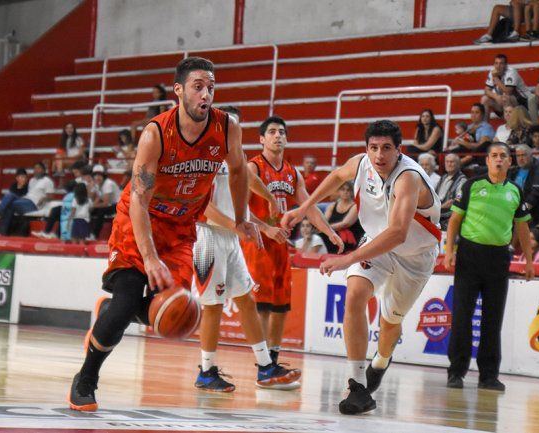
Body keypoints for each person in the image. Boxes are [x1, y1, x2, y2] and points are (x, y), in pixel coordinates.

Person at [67, 57, 261, 412]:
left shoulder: (227, 128)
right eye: (198, 87)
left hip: (180, 227)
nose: (206, 94)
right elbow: (139, 199)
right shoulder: (156, 133)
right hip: (138, 219)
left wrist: (242, 219)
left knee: (178, 316)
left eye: (211, 88)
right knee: (127, 302)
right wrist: (150, 257)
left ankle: (112, 311)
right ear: (178, 91)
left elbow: (238, 172)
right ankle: (86, 379)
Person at [283, 120, 443, 415]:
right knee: (355, 293)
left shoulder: (409, 178)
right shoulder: (360, 164)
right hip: (376, 244)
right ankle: (357, 386)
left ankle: (381, 361)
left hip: (414, 256)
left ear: (399, 150)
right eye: (373, 148)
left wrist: (347, 258)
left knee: (390, 323)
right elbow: (334, 177)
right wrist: (304, 208)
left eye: (386, 148)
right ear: (366, 148)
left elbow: (398, 233)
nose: (379, 155)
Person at [192, 105, 301, 393]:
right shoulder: (203, 155)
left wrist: (268, 198)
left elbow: (249, 181)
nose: (234, 129)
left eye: (237, 125)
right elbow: (202, 206)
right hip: (207, 236)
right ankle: (206, 371)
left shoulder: (234, 156)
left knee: (246, 300)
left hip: (229, 236)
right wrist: (236, 224)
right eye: (230, 124)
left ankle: (266, 367)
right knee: (213, 306)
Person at [241, 115, 342, 367]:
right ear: (262, 139)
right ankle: (262, 361)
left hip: (282, 244)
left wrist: (329, 232)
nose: (278, 136)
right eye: (273, 132)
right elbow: (238, 207)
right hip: (258, 243)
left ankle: (273, 356)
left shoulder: (291, 171)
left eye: (282, 132)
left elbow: (308, 206)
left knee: (281, 305)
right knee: (262, 305)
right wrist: (265, 229)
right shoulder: (253, 168)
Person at [444, 142, 534, 392]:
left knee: (493, 319)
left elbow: (523, 227)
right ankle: (456, 372)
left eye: (503, 156)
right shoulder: (472, 185)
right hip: (469, 256)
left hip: (498, 259)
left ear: (509, 162)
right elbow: (454, 220)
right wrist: (449, 251)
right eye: (493, 155)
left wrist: (528, 261)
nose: (498, 159)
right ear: (487, 161)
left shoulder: (515, 190)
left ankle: (488, 376)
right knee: (462, 316)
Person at [0, 162, 54, 236]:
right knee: (10, 195)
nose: (36, 170)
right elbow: (27, 192)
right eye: (35, 168)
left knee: (10, 205)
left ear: (44, 170)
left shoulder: (47, 181)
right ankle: (1, 228)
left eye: (38, 168)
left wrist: (44, 198)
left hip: (33, 204)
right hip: (25, 200)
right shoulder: (32, 180)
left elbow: (50, 197)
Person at [508, 144, 539, 224]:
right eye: (518, 156)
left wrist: (523, 209)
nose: (520, 158)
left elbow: (536, 193)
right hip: (514, 207)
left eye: (523, 155)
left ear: (531, 156)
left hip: (533, 210)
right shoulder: (514, 171)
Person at [323, 181, 364, 252]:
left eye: (348, 190)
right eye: (343, 189)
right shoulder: (332, 206)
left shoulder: (355, 206)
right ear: (339, 191)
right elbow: (324, 221)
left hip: (350, 238)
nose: (345, 192)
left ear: (352, 192)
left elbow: (345, 224)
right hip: (333, 233)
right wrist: (322, 228)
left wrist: (327, 228)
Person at [436, 153, 468, 230]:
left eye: (452, 162)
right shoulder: (443, 177)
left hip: (448, 218)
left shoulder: (462, 180)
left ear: (458, 164)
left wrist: (439, 207)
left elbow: (455, 202)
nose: (449, 164)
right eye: (447, 162)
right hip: (438, 213)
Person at [90, 164, 121, 240]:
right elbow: (93, 198)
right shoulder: (96, 184)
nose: (97, 177)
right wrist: (91, 187)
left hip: (117, 205)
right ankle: (88, 233)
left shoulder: (108, 184)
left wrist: (93, 205)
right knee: (89, 211)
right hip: (109, 204)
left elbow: (105, 203)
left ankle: (95, 235)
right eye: (95, 175)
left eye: (99, 175)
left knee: (101, 211)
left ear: (103, 176)